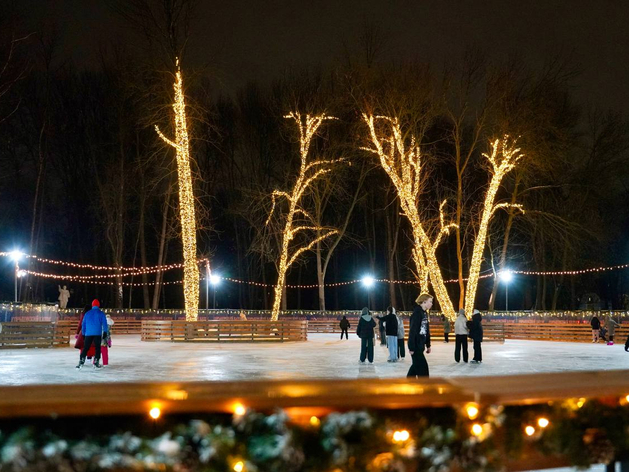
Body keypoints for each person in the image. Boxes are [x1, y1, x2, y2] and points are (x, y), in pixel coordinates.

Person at [76, 299, 108, 370]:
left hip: (88, 333)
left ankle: (81, 361)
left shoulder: (87, 313)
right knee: (97, 348)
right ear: (98, 305)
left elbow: (83, 324)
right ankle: (96, 362)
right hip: (97, 333)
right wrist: (105, 332)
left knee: (86, 348)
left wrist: (83, 333)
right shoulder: (101, 313)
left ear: (92, 305)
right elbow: (105, 324)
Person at [407, 293, 432, 377]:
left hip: (421, 346)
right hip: (416, 346)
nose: (431, 304)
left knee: (415, 367)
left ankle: (408, 384)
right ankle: (425, 387)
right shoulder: (417, 314)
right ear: (424, 302)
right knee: (423, 369)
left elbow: (426, 330)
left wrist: (428, 345)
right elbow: (412, 331)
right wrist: (411, 347)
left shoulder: (424, 313)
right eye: (430, 301)